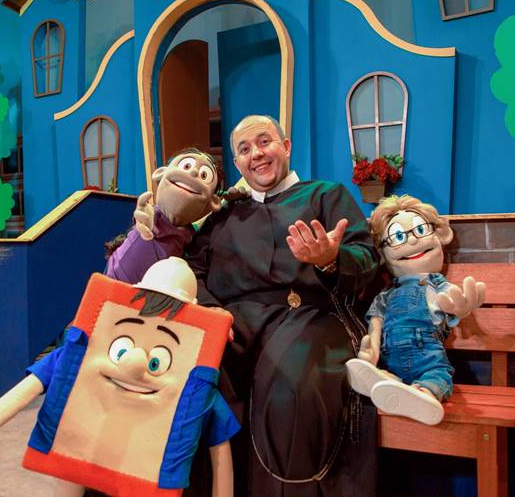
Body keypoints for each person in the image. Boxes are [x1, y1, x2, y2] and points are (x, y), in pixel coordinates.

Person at [0, 258, 238, 497]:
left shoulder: (195, 385)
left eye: (155, 361)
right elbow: (25, 391)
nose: (135, 363)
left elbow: (219, 448)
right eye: (123, 350)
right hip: (84, 453)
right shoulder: (82, 354)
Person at [185, 114, 380, 496]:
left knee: (289, 388)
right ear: (237, 164)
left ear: (286, 147)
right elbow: (191, 268)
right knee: (188, 378)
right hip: (233, 324)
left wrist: (330, 259)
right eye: (245, 149)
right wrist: (209, 309)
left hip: (313, 316)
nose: (256, 154)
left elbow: (368, 260)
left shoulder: (325, 195)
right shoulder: (223, 215)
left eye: (264, 142)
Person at [346, 195, 486, 425]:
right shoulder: (386, 293)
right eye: (398, 237)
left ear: (439, 234)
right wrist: (371, 351)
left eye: (420, 230)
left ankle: (424, 394)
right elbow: (376, 322)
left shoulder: (436, 284)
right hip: (389, 357)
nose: (411, 241)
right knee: (386, 373)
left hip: (427, 355)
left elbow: (449, 301)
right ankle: (389, 383)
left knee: (439, 375)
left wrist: (460, 307)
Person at [104, 149, 224, 284]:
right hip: (114, 281)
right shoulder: (155, 217)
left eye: (204, 175)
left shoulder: (190, 233)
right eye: (186, 166)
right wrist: (145, 221)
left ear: (213, 202)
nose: (193, 172)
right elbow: (144, 220)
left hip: (150, 290)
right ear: (160, 173)